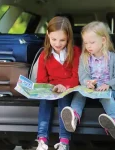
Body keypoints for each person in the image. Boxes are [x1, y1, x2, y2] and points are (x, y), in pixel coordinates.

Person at [36, 16, 82, 150]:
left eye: (62, 40)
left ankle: (64, 141)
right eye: (53, 39)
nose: (57, 43)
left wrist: (65, 87)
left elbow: (76, 77)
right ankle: (42, 139)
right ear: (48, 35)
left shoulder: (75, 52)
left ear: (68, 37)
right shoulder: (44, 55)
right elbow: (41, 80)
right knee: (44, 102)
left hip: (68, 89)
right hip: (51, 89)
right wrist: (48, 88)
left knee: (64, 103)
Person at [78, 21, 115, 140]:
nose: (88, 46)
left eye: (92, 42)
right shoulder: (84, 58)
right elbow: (82, 75)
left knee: (106, 97)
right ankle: (73, 115)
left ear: (103, 40)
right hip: (91, 88)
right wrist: (87, 82)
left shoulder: (113, 58)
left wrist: (108, 85)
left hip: (107, 89)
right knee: (79, 94)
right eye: (86, 43)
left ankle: (114, 121)